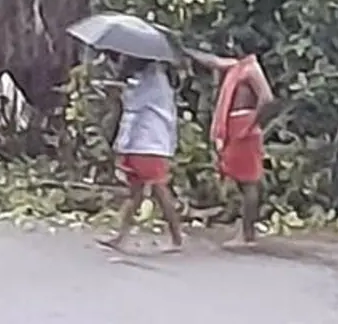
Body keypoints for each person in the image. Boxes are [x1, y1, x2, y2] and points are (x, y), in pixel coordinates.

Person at [97, 53, 184, 253]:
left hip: (149, 142)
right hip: (141, 142)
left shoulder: (153, 81)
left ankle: (176, 238)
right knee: (135, 193)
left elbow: (134, 106)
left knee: (159, 189)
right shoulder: (148, 77)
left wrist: (119, 92)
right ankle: (120, 236)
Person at [189, 49, 275, 248]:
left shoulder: (252, 69)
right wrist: (187, 51)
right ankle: (246, 231)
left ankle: (247, 235)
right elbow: (214, 61)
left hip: (244, 126)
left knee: (248, 182)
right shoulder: (238, 66)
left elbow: (267, 98)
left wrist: (252, 123)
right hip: (235, 126)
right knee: (239, 179)